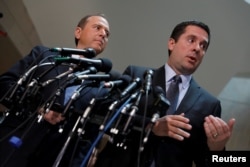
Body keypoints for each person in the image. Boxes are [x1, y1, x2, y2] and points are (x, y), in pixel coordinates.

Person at [95, 20, 236, 167]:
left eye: (203, 45)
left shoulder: (209, 104)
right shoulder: (137, 75)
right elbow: (105, 117)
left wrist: (217, 149)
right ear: (171, 44)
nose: (197, 48)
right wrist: (151, 126)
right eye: (191, 40)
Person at [0, 13, 112, 167]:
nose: (103, 34)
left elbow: (88, 137)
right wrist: (37, 108)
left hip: (51, 158)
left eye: (107, 33)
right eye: (97, 28)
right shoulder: (45, 56)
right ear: (78, 32)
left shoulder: (99, 88)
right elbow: (5, 83)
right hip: (11, 144)